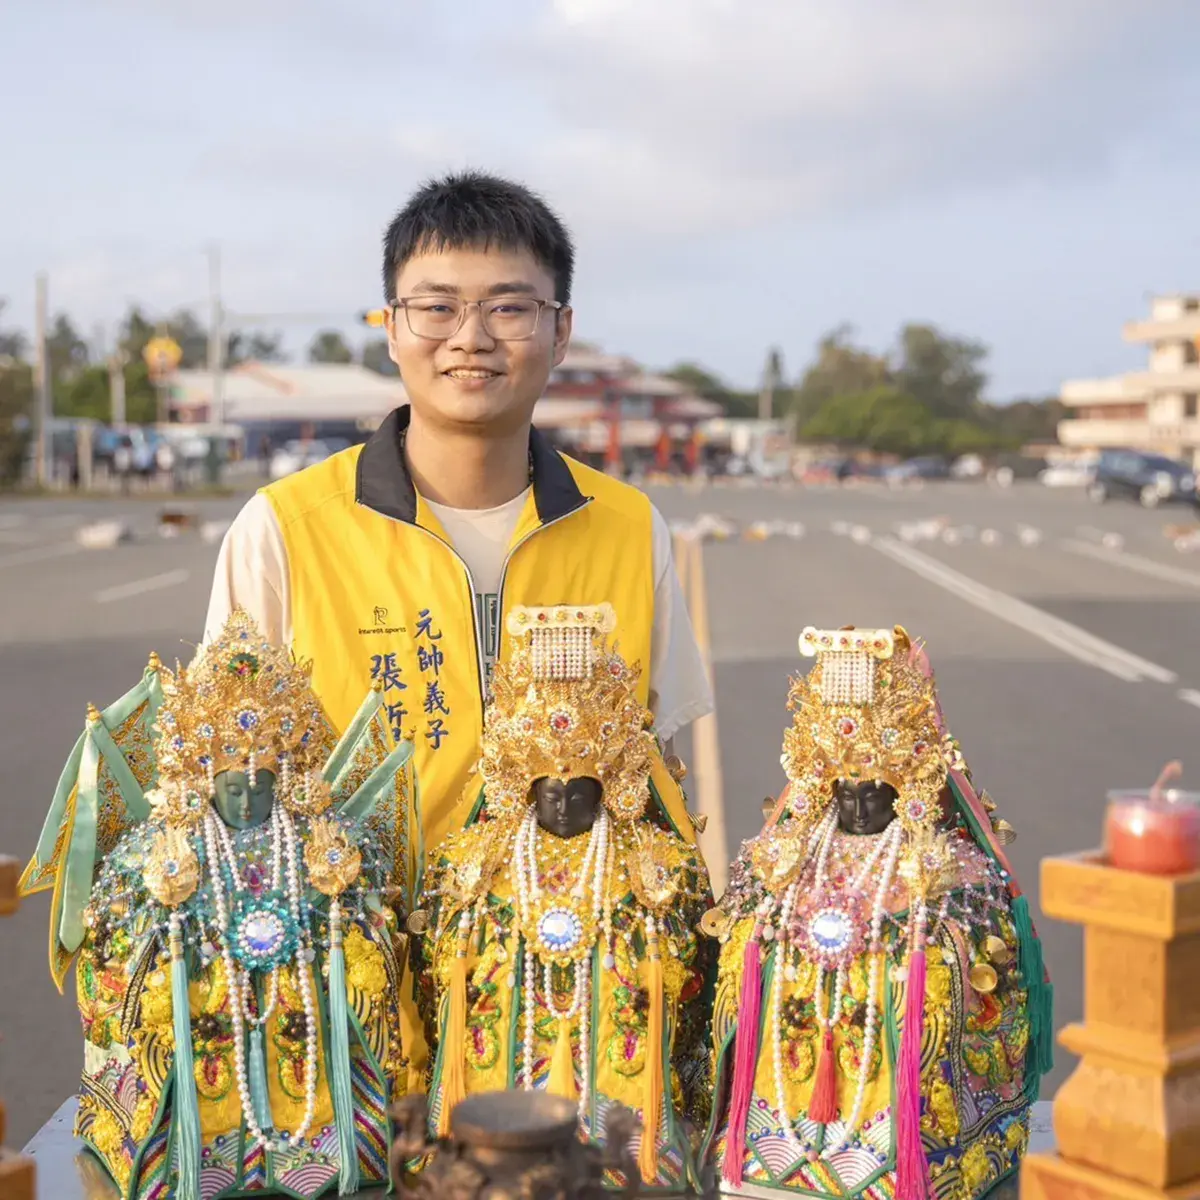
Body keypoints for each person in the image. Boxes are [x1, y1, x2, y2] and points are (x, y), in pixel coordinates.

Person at [204, 171, 712, 861]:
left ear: (560, 332)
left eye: (508, 308)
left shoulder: (626, 526)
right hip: (362, 960)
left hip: (564, 960)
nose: (470, 338)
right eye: (437, 308)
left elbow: (659, 770)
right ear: (391, 329)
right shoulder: (283, 531)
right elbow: (227, 777)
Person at [20, 611, 418, 1199]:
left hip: (298, 1012)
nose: (250, 794)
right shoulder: (163, 843)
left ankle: (320, 1145)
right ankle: (195, 1150)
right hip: (204, 1003)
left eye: (264, 781)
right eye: (235, 782)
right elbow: (110, 923)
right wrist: (169, 928)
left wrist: (338, 915)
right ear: (204, 777)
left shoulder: (319, 834)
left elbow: (374, 911)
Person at [702, 626, 1052, 1200]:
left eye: (875, 791)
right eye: (845, 790)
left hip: (894, 1091)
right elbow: (741, 912)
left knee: (927, 967)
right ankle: (778, 1132)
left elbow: (969, 928)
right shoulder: (792, 852)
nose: (858, 806)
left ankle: (906, 1145)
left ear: (903, 788)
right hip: (785, 1109)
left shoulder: (941, 860)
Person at [418, 604, 712, 1190]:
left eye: (581, 790)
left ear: (608, 787)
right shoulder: (481, 860)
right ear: (525, 787)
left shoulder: (647, 864)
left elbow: (686, 964)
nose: (562, 805)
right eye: (549, 790)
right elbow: (442, 964)